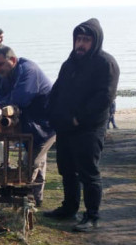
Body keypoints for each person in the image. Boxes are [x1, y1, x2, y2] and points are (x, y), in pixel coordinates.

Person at [44, 18, 119, 232]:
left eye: (86, 39)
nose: (81, 43)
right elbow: (58, 89)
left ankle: (92, 216)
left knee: (88, 173)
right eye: (78, 39)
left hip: (88, 128)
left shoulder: (106, 63)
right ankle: (69, 208)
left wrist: (80, 118)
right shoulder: (70, 62)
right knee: (67, 170)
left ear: (95, 41)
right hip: (65, 126)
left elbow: (105, 96)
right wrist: (52, 112)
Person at [0, 46, 55, 207]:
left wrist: (11, 103)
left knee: (31, 162)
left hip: (45, 124)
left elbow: (21, 99)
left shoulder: (29, 70)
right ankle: (35, 199)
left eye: (0, 64)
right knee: (38, 160)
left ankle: (26, 199)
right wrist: (9, 103)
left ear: (12, 60)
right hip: (29, 125)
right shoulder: (6, 75)